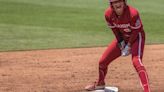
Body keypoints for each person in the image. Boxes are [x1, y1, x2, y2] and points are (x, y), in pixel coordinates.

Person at [85, 0, 151, 92]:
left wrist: (128, 45)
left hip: (136, 38)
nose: (117, 4)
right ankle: (100, 84)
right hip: (123, 37)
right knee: (103, 61)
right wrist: (121, 42)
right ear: (111, 4)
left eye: (120, 1)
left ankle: (147, 90)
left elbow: (136, 31)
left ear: (124, 2)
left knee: (136, 61)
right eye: (115, 2)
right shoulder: (108, 14)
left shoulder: (133, 13)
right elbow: (115, 30)